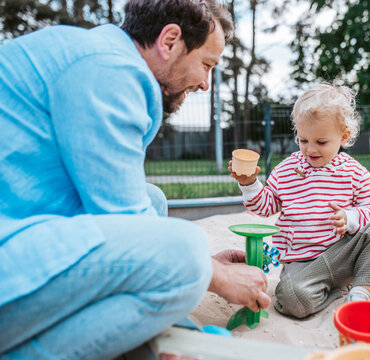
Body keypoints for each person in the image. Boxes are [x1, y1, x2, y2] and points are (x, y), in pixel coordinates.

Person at [0, 1, 270, 359]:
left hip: (22, 224)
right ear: (170, 40)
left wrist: (211, 267)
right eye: (206, 64)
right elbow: (123, 218)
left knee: (154, 202)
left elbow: (124, 213)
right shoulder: (108, 70)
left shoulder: (97, 54)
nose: (206, 83)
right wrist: (214, 275)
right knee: (185, 253)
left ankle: (153, 340)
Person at [229, 83, 370, 319]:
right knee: (292, 300)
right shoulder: (287, 170)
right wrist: (249, 183)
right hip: (303, 264)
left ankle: (360, 291)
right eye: (303, 140)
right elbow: (265, 206)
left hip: (343, 252)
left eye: (321, 142)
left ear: (343, 137)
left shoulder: (354, 172)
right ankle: (336, 290)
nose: (310, 149)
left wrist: (350, 218)